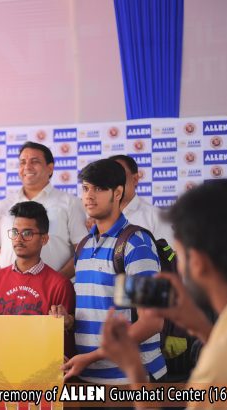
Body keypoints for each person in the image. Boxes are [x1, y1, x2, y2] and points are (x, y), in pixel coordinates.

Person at [99, 179, 227, 407]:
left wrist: (134, 369)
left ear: (198, 263)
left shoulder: (218, 370)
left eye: (179, 255)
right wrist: (201, 327)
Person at [63, 159, 166, 384]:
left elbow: (152, 321)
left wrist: (93, 356)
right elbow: (97, 309)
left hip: (129, 378)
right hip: (88, 376)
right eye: (86, 188)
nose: (89, 196)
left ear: (118, 192)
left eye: (99, 188)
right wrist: (68, 320)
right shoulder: (84, 246)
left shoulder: (134, 243)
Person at [0, 141, 87, 278]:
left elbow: (83, 250)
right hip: (11, 287)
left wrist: (56, 282)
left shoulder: (70, 203)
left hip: (52, 288)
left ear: (50, 168)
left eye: (35, 161)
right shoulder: (5, 204)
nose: (27, 167)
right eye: (22, 162)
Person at [0, 201, 75, 331]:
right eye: (15, 232)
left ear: (44, 239)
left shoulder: (60, 285)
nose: (18, 239)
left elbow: (63, 336)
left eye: (27, 233)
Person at [109, 154, 173, 243]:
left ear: (135, 179)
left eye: (119, 175)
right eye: (109, 177)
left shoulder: (155, 217)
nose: (114, 181)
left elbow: (169, 251)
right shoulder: (97, 217)